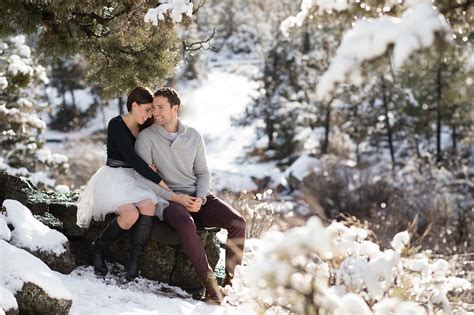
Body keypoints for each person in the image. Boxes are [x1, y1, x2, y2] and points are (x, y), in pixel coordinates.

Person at [134, 87, 246, 304]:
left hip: (196, 197)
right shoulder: (146, 138)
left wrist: (201, 198)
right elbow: (143, 180)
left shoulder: (194, 136)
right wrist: (176, 198)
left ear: (175, 108)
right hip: (167, 199)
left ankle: (232, 285)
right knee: (186, 223)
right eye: (154, 107)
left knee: (238, 222)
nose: (155, 112)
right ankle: (211, 285)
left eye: (161, 107)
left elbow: (203, 172)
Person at [76, 86, 169, 281]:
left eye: (151, 110)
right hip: (113, 178)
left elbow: (150, 150)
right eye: (147, 109)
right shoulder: (116, 124)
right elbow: (132, 159)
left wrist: (153, 163)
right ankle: (98, 248)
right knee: (130, 213)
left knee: (149, 205)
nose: (149, 114)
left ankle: (134, 261)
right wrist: (159, 181)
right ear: (134, 105)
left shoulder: (145, 126)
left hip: (134, 178)